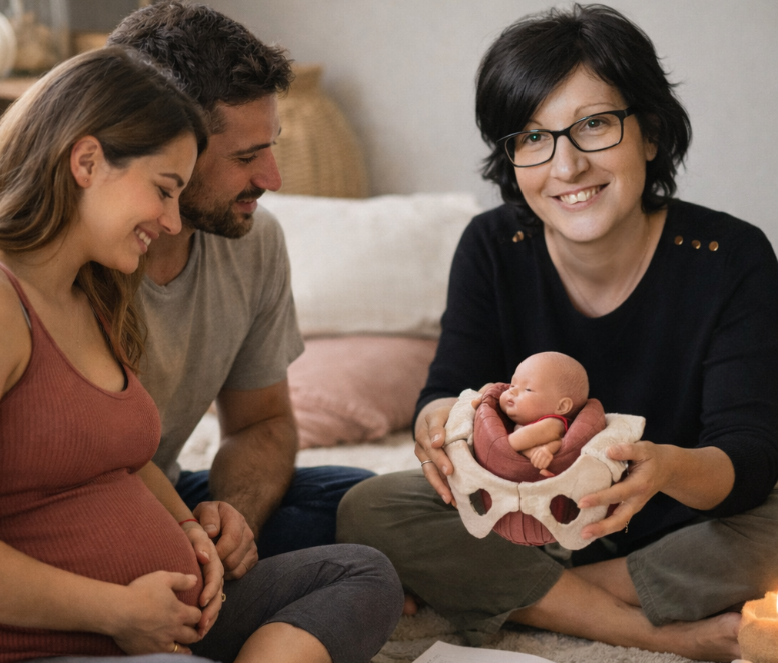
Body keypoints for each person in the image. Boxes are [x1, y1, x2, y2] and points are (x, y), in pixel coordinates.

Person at [337, 4, 778, 661]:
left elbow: (748, 460)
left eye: (594, 125)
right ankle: (637, 627)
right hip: (524, 514)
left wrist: (661, 468)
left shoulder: (730, 255)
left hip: (678, 520)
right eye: (533, 137)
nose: (566, 167)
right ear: (511, 155)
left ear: (650, 133)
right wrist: (445, 428)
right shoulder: (493, 245)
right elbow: (441, 393)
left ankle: (542, 596)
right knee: (368, 508)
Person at [0, 47, 403, 663]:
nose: (168, 221)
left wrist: (189, 529)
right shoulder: (7, 305)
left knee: (363, 573)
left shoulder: (93, 294)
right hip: (70, 631)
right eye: (163, 191)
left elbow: (125, 460)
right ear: (86, 161)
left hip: (165, 613)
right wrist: (118, 613)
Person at [106, 1, 374, 571]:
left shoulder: (255, 240)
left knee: (368, 500)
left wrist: (232, 521)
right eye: (247, 156)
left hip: (172, 497)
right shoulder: (81, 257)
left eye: (272, 144)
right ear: (166, 146)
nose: (273, 180)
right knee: (362, 563)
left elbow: (263, 422)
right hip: (88, 506)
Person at [492, 351, 589, 473]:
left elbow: (517, 441)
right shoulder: (522, 421)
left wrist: (497, 444)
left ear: (562, 406)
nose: (512, 391)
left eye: (528, 389)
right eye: (512, 385)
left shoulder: (555, 423)